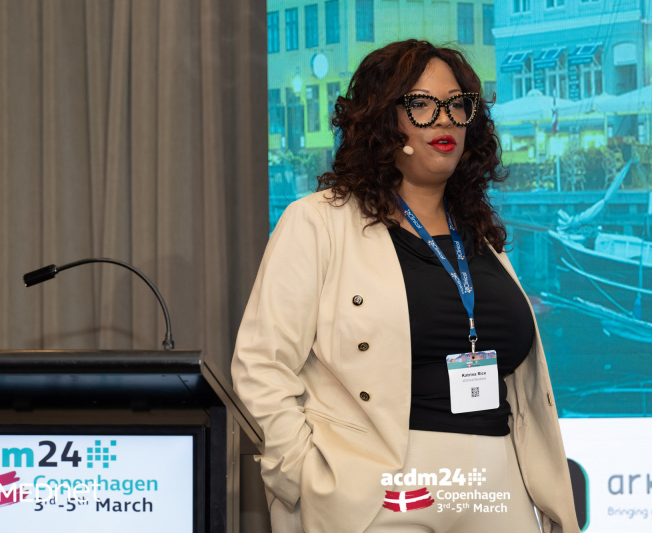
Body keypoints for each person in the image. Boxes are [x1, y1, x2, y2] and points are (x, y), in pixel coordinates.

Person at [231, 40, 578, 533]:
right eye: (421, 104)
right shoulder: (317, 222)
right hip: (380, 492)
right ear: (381, 119)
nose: (444, 119)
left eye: (457, 105)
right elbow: (261, 366)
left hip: (498, 484)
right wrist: (305, 476)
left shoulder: (478, 235)